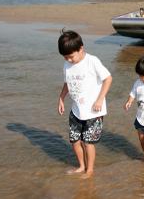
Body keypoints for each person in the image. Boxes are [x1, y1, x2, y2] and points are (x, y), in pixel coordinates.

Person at [57, 30, 112, 178]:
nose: (68, 60)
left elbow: (108, 79)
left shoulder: (92, 61)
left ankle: (90, 170)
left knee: (88, 143)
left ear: (81, 48)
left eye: (71, 56)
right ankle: (81, 166)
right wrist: (61, 98)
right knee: (75, 140)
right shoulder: (67, 65)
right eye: (65, 57)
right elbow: (67, 83)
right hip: (76, 111)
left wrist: (100, 99)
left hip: (94, 112)